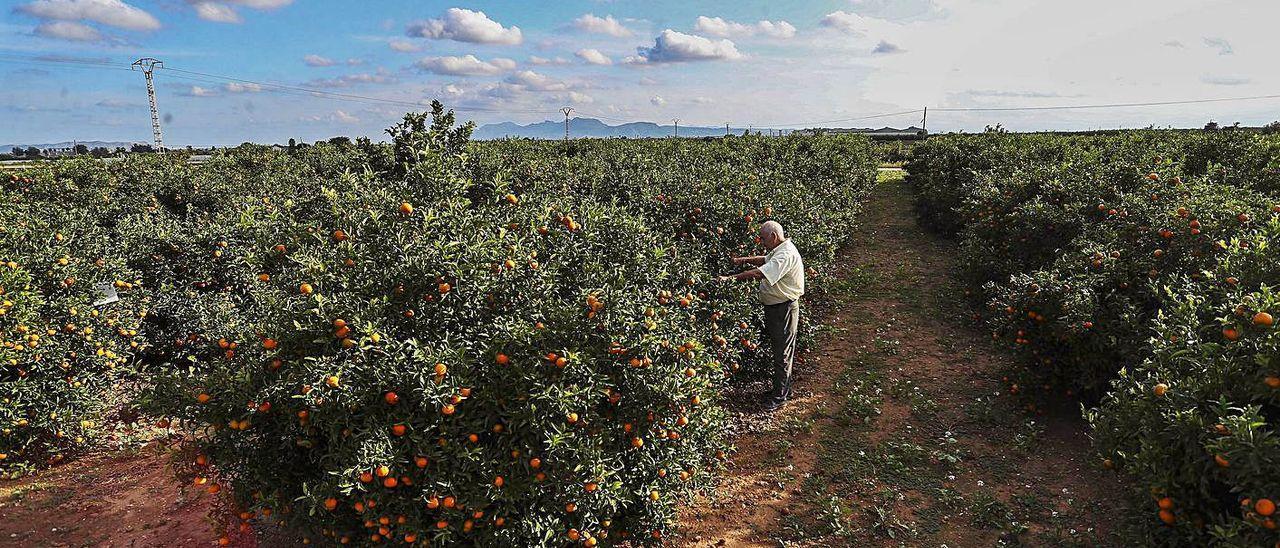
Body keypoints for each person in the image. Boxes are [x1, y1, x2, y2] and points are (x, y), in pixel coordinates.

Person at [718, 220, 804, 411]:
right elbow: (765, 259)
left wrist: (731, 279)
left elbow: (760, 273)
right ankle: (781, 389)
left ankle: (780, 396)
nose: (762, 242)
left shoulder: (785, 255)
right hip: (777, 308)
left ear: (773, 236)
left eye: (763, 239)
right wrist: (742, 260)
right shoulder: (780, 248)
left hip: (784, 309)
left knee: (782, 352)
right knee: (780, 349)